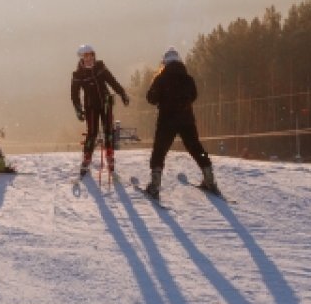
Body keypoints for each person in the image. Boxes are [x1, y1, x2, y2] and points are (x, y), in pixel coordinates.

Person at [145, 47, 217, 197]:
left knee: (160, 151)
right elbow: (194, 95)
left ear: (164, 63)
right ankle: (209, 178)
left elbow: (150, 98)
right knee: (196, 148)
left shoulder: (161, 79)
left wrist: (163, 99)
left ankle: (155, 184)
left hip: (166, 121)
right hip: (186, 120)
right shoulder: (188, 79)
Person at [70, 44, 130, 177]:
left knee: (108, 130)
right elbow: (74, 94)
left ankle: (109, 155)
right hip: (91, 106)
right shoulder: (77, 74)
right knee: (92, 132)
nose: (89, 58)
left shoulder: (100, 67)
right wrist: (78, 109)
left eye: (91, 55)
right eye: (86, 56)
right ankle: (87, 158)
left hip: (106, 102)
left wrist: (122, 93)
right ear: (81, 57)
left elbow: (112, 81)